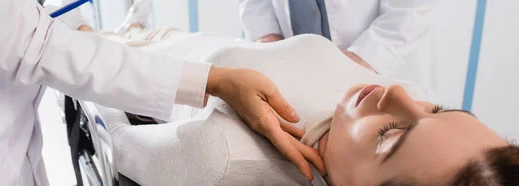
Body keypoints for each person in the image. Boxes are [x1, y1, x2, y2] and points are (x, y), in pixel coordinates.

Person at [91, 13, 518, 186]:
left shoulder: (220, 156)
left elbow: (115, 139)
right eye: (438, 109)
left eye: (390, 135)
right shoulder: (373, 97)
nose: (399, 92)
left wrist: (91, 51)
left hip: (114, 58)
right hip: (165, 37)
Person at [0, 0, 314, 185]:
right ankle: (134, 30)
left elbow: (28, 22)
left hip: (1, 136)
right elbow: (35, 44)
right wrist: (214, 80)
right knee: (140, 40)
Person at [239, 0, 441, 99]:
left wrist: (349, 65)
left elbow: (411, 9)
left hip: (381, 64)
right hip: (296, 75)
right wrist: (268, 40)